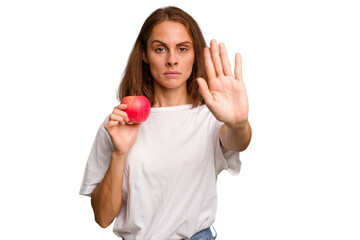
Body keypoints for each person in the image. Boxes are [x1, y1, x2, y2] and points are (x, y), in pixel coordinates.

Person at [80, 6, 252, 240]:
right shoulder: (119, 123)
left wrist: (239, 122)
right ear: (144, 54)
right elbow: (102, 217)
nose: (172, 60)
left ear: (195, 55)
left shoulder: (209, 117)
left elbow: (238, 140)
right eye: (160, 49)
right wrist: (120, 154)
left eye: (182, 49)